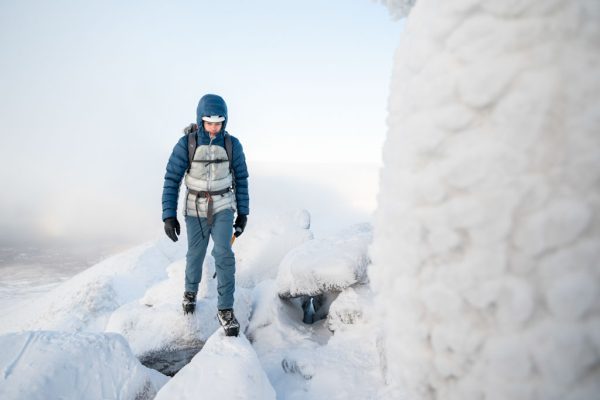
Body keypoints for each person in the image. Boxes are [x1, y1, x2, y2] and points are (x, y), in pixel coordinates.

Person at [161, 94, 249, 337]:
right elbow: (172, 179)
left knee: (223, 253)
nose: (213, 127)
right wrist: (168, 215)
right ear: (200, 120)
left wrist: (243, 213)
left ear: (225, 121)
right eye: (208, 122)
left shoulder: (233, 145)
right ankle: (190, 291)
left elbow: (241, 180)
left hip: (223, 206)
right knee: (195, 254)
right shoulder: (186, 144)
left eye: (218, 122)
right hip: (194, 208)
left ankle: (226, 309)